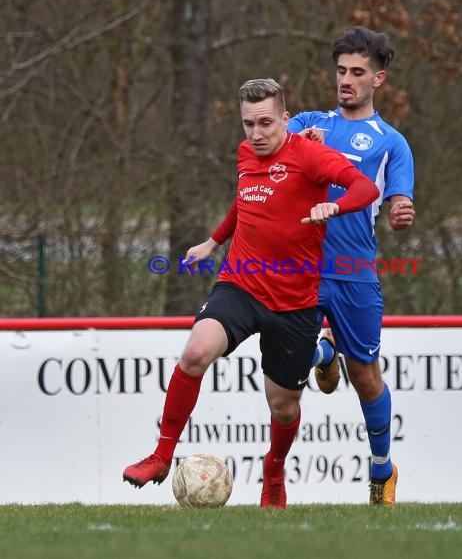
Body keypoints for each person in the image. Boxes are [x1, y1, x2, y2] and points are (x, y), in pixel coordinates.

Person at [123, 78, 379, 508]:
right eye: (248, 125)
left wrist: (335, 205)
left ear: (285, 118)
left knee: (282, 406)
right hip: (240, 284)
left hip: (295, 302)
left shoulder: (312, 155)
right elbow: (246, 201)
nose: (257, 134)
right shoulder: (246, 155)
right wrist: (212, 242)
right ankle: (161, 454)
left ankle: (274, 469)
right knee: (195, 352)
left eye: (265, 123)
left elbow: (365, 189)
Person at [188, 27, 415, 506]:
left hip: (353, 273)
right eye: (341, 71)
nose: (346, 80)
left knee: (366, 375)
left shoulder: (392, 142)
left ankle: (381, 470)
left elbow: (396, 204)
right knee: (287, 387)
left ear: (380, 79)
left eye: (357, 72)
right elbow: (258, 170)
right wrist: (217, 239)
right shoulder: (309, 123)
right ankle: (314, 368)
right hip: (297, 274)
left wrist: (400, 212)